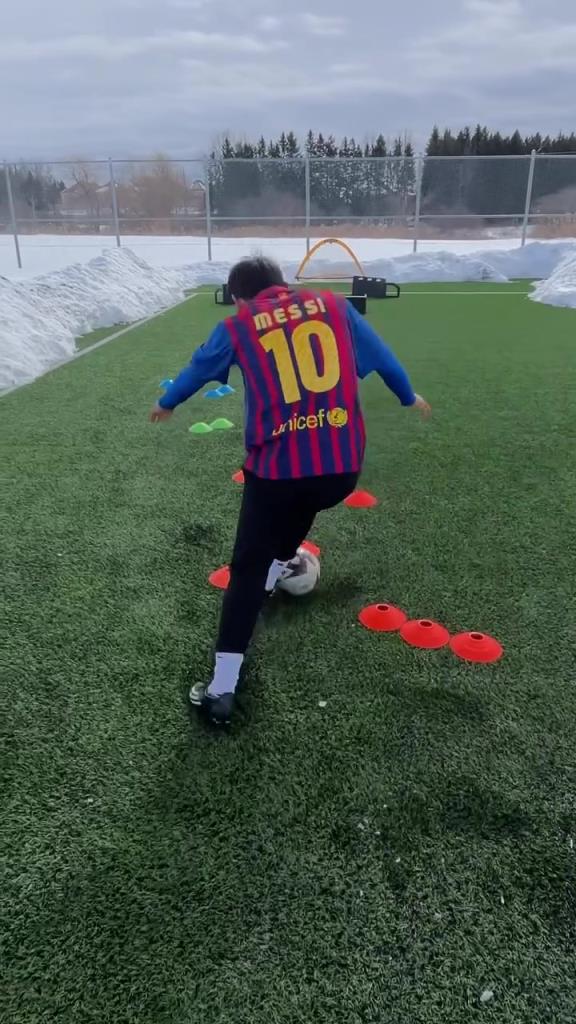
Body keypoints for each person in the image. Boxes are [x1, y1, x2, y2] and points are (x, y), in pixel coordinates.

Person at [150, 257, 430, 725]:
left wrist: (167, 401)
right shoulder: (336, 307)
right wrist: (408, 396)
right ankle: (277, 569)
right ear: (284, 285)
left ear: (241, 298)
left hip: (278, 472)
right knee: (304, 503)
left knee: (246, 567)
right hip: (342, 470)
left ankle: (221, 690)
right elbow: (383, 358)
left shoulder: (239, 324)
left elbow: (199, 368)